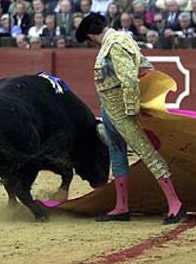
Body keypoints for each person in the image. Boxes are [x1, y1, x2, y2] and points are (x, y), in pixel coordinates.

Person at [75, 13, 186, 224]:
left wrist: (131, 108)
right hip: (110, 109)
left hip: (123, 110)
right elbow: (145, 66)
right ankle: (122, 206)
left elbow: (129, 79)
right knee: (116, 150)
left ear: (91, 36)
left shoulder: (115, 44)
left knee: (146, 152)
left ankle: (175, 204)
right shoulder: (121, 40)